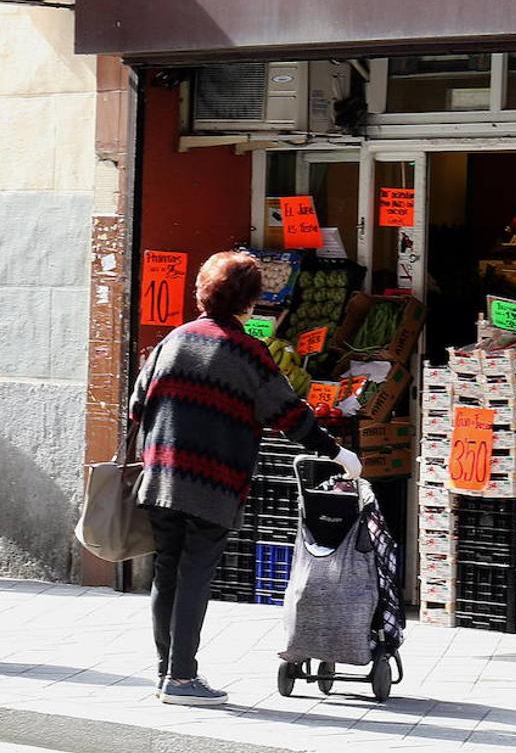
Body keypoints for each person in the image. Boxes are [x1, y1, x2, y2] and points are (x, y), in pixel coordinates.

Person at [129, 251, 361, 707]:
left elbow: (137, 405)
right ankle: (181, 678)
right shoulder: (247, 352)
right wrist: (337, 453)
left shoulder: (173, 340)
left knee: (168, 571)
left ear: (204, 293)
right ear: (249, 302)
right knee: (195, 572)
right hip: (211, 482)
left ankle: (165, 672)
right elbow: (289, 415)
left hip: (160, 475)